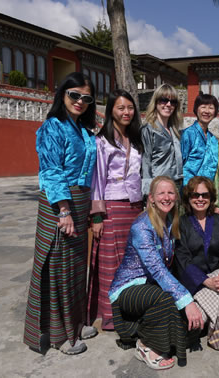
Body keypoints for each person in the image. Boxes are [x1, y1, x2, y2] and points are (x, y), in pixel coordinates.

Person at [24, 72, 98, 355]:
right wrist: (63, 211)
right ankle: (60, 336)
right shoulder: (52, 127)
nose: (80, 101)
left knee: (76, 268)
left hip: (80, 203)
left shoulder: (83, 129)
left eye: (86, 98)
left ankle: (76, 324)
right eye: (74, 95)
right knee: (58, 268)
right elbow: (51, 171)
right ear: (63, 95)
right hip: (59, 205)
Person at [109, 176, 204, 370]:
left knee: (189, 324)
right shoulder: (141, 227)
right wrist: (186, 300)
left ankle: (156, 334)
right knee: (169, 300)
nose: (167, 197)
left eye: (171, 192)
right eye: (161, 193)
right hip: (130, 288)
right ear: (151, 198)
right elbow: (157, 269)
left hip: (153, 285)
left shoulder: (170, 221)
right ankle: (147, 346)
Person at [87, 89, 144, 330]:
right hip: (112, 206)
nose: (126, 112)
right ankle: (111, 316)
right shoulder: (102, 141)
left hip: (135, 206)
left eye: (130, 108)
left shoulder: (136, 138)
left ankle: (133, 308)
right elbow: (97, 179)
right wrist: (97, 215)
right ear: (111, 110)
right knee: (112, 262)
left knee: (133, 260)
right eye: (120, 108)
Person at [175, 177, 219, 351]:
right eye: (195, 195)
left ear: (212, 198)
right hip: (194, 283)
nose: (200, 199)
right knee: (197, 321)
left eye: (205, 195)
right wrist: (206, 282)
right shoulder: (181, 224)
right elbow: (182, 259)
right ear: (188, 199)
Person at [141, 84, 183, 195]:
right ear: (156, 102)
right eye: (164, 100)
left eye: (173, 102)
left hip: (176, 186)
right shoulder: (148, 129)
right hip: (158, 188)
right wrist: (147, 192)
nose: (168, 105)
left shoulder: (174, 130)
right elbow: (145, 162)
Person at [181, 93, 219, 186]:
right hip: (189, 188)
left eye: (211, 108)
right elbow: (179, 163)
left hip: (207, 190)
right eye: (203, 107)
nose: (207, 111)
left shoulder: (213, 139)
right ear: (196, 109)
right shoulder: (188, 134)